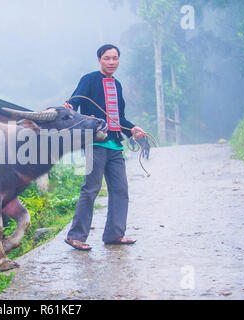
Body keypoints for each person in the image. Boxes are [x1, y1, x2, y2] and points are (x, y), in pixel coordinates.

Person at [63, 44, 146, 250]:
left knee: (120, 190)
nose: (111, 62)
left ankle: (114, 234)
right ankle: (76, 236)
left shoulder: (116, 85)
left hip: (115, 145)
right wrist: (69, 105)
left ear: (119, 60)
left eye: (115, 58)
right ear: (99, 60)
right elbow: (75, 100)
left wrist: (132, 129)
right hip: (94, 143)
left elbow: (120, 118)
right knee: (91, 189)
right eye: (107, 58)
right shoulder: (89, 80)